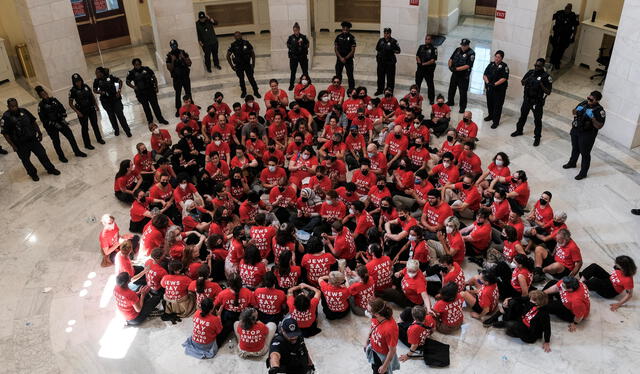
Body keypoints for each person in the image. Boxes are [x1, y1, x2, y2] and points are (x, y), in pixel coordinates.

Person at [1, 98, 60, 181]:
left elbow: (33, 121)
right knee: (25, 160)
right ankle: (33, 174)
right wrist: (13, 146)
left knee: (42, 154)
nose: (14, 108)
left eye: (16, 105)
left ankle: (50, 169)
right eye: (12, 106)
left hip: (32, 139)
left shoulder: (24, 111)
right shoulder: (5, 118)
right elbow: (5, 134)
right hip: (20, 144)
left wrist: (39, 132)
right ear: (8, 107)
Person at [35, 86, 86, 163]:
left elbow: (62, 109)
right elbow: (43, 119)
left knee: (70, 136)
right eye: (42, 94)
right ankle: (61, 157)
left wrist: (63, 117)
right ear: (40, 96)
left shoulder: (54, 100)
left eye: (45, 93)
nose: (44, 94)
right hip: (51, 127)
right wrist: (54, 124)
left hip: (60, 122)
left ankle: (77, 152)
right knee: (56, 141)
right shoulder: (41, 106)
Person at [563, 91, 606, 180]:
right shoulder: (583, 103)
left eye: (591, 99)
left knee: (585, 153)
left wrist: (592, 118)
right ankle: (572, 163)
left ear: (597, 100)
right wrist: (577, 110)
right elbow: (573, 112)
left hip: (587, 134)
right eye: (588, 98)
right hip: (576, 130)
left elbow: (599, 126)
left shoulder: (599, 110)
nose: (589, 100)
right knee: (575, 148)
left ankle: (583, 173)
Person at [511, 58, 553, 146]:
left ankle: (537, 137)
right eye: (535, 65)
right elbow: (522, 82)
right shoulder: (531, 72)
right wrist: (529, 78)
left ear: (542, 66)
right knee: (522, 116)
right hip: (527, 100)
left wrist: (541, 84)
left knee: (537, 120)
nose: (536, 67)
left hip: (537, 102)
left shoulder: (546, 77)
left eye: (538, 66)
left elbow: (548, 92)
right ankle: (519, 130)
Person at [126, 58, 168, 125]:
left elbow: (154, 78)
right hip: (141, 93)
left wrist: (156, 87)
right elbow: (127, 82)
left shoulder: (146, 69)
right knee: (146, 108)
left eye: (139, 64)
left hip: (150, 91)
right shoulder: (131, 73)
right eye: (136, 64)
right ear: (133, 65)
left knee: (155, 106)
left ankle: (160, 119)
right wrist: (133, 87)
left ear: (141, 63)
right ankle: (150, 121)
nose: (138, 65)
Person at [68, 73, 104, 149]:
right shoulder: (73, 91)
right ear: (74, 82)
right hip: (82, 111)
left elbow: (92, 96)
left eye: (79, 81)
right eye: (76, 81)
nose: (78, 82)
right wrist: (77, 112)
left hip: (91, 108)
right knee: (84, 128)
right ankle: (87, 144)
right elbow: (70, 103)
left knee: (95, 124)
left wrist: (96, 105)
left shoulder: (86, 87)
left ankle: (99, 139)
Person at [93, 66, 131, 137]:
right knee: (111, 116)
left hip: (115, 99)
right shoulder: (96, 81)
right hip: (106, 101)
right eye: (96, 73)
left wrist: (119, 90)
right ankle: (116, 130)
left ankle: (127, 130)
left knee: (120, 115)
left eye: (97, 73)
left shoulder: (110, 77)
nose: (96, 74)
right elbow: (94, 90)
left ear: (101, 72)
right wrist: (100, 92)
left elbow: (120, 81)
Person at [365, 298, 400, 374]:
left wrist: (384, 366)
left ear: (377, 314)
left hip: (382, 356)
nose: (366, 312)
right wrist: (367, 341)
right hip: (374, 349)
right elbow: (372, 327)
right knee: (374, 367)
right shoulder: (376, 318)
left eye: (368, 311)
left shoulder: (390, 329)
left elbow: (392, 350)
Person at [227, 31, 260, 99]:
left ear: (241, 35)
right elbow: (227, 56)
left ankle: (256, 91)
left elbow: (252, 54)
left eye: (239, 35)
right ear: (234, 37)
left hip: (247, 64)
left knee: (251, 78)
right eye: (236, 36)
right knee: (241, 79)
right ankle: (244, 92)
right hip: (239, 66)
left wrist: (253, 64)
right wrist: (232, 66)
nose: (238, 37)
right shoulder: (233, 45)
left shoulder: (246, 43)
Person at [447, 38, 475, 113]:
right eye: (462, 45)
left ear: (468, 45)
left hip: (463, 76)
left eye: (464, 46)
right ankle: (450, 101)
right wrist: (450, 66)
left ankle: (462, 107)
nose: (463, 47)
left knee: (462, 92)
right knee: (451, 88)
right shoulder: (457, 50)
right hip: (455, 74)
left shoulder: (471, 53)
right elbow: (451, 59)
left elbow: (468, 65)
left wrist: (456, 69)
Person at [483, 50, 509, 129]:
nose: (497, 58)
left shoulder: (504, 66)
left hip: (499, 90)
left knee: (497, 106)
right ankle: (490, 116)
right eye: (496, 56)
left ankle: (495, 121)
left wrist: (494, 84)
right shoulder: (491, 64)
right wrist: (488, 83)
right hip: (490, 88)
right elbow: (485, 74)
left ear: (502, 58)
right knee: (490, 103)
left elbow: (504, 78)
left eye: (499, 57)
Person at [165, 40, 192, 117]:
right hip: (177, 78)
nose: (174, 46)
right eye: (172, 45)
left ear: (177, 44)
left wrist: (183, 58)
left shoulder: (182, 52)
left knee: (188, 92)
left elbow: (189, 63)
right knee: (178, 93)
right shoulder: (169, 56)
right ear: (170, 46)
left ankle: (191, 106)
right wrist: (173, 61)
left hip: (185, 76)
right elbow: (169, 68)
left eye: (175, 45)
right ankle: (178, 109)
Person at [550, 4, 579, 69]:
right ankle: (552, 62)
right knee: (555, 48)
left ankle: (557, 62)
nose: (567, 10)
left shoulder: (573, 16)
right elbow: (550, 18)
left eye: (569, 8)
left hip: (566, 36)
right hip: (557, 34)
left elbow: (575, 27)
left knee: (561, 49)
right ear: (564, 8)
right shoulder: (559, 13)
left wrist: (574, 36)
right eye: (566, 8)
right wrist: (550, 33)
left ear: (571, 9)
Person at [375, 28, 401, 95]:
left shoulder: (394, 41)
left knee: (390, 78)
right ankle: (380, 90)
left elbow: (398, 51)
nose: (386, 35)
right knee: (380, 77)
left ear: (390, 34)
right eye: (385, 33)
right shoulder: (381, 40)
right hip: (381, 62)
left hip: (390, 63)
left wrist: (392, 49)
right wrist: (378, 58)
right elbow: (377, 49)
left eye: (387, 33)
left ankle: (389, 91)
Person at [415, 34, 438, 104]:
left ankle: (431, 99)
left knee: (430, 84)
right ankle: (416, 97)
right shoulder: (421, 47)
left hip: (428, 70)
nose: (427, 40)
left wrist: (424, 64)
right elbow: (417, 55)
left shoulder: (434, 49)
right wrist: (419, 61)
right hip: (420, 69)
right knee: (417, 84)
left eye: (428, 39)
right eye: (426, 39)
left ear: (431, 40)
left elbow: (433, 60)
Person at [287, 22, 310, 91]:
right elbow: (288, 45)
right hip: (294, 57)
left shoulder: (303, 37)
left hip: (302, 57)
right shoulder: (291, 37)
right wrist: (293, 46)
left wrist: (302, 44)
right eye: (294, 30)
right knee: (293, 72)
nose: (296, 32)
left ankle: (308, 83)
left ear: (299, 30)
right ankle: (291, 85)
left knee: (305, 71)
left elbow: (307, 45)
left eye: (297, 30)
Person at [335, 21, 357, 90]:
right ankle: (337, 87)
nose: (345, 29)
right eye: (343, 27)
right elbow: (336, 48)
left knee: (350, 75)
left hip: (348, 59)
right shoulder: (338, 37)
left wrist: (345, 58)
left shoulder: (352, 38)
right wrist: (341, 58)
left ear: (349, 29)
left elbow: (352, 50)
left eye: (346, 28)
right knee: (338, 74)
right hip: (339, 58)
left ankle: (351, 89)